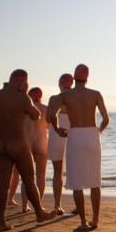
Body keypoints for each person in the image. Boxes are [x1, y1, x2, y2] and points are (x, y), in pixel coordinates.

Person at [0, 69, 55, 232]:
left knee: (4, 183)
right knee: (29, 180)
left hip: (1, 143)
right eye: (25, 82)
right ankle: (39, 213)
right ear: (22, 81)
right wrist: (24, 95)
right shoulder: (22, 97)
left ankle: (1, 222)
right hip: (18, 143)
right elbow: (36, 116)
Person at [48, 64, 109, 230]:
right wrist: (98, 132)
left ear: (74, 78)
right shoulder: (95, 94)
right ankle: (95, 219)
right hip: (91, 134)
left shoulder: (66, 95)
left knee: (77, 181)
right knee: (95, 181)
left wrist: (58, 128)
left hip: (75, 134)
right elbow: (106, 119)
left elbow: (51, 114)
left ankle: (83, 222)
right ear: (87, 78)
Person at [46, 73, 73, 214]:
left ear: (59, 83)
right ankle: (77, 204)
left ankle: (57, 205)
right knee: (75, 170)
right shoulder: (76, 97)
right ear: (72, 83)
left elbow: (48, 118)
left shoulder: (54, 99)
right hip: (72, 134)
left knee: (57, 172)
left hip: (56, 136)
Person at [19, 87, 49, 212]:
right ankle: (39, 204)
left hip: (27, 143)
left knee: (26, 177)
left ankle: (25, 205)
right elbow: (49, 126)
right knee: (41, 176)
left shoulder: (24, 109)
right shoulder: (46, 108)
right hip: (42, 143)